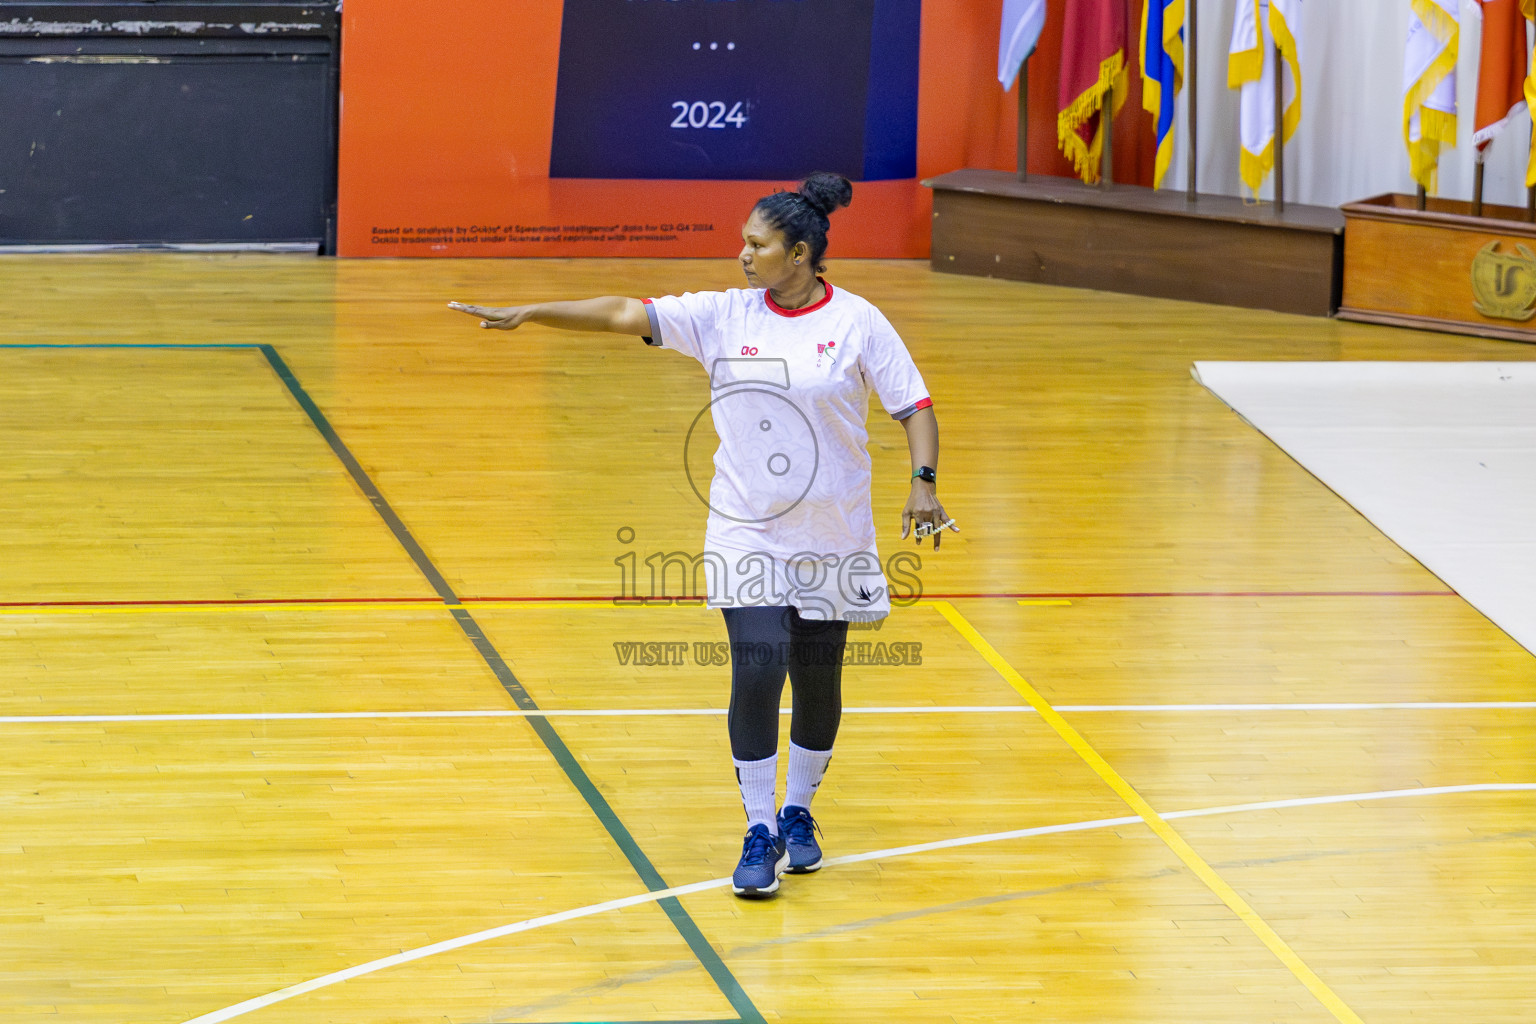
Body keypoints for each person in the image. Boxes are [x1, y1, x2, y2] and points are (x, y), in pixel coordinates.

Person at [450, 172, 957, 898]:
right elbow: (627, 311)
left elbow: (915, 406)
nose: (744, 255)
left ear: (803, 253)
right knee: (759, 665)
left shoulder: (858, 323)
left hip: (833, 530)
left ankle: (799, 813)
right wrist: (534, 311)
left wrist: (924, 482)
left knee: (818, 682)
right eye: (743, 243)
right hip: (746, 527)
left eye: (759, 244)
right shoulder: (724, 316)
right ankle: (757, 829)